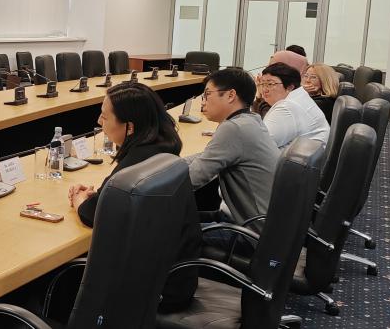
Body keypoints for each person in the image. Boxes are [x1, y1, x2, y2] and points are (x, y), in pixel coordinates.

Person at [68, 82, 199, 311]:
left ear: (130, 127)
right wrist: (102, 195)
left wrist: (79, 200)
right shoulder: (161, 149)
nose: (99, 122)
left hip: (154, 292)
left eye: (104, 117)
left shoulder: (137, 162)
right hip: (176, 277)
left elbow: (93, 214)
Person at [186, 68, 280, 239]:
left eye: (207, 94)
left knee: (168, 232)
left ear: (230, 95)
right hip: (257, 222)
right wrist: (171, 163)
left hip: (251, 232)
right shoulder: (250, 120)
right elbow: (204, 156)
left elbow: (193, 178)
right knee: (179, 220)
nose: (203, 101)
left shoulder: (233, 128)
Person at [259, 62, 329, 148]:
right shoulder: (299, 97)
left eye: (270, 84)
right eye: (262, 84)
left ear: (290, 87)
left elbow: (260, 145)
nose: (264, 90)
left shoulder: (286, 108)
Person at [252, 50, 309, 117]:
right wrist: (260, 95)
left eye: (272, 65)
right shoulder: (298, 95)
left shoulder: (292, 105)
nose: (268, 68)